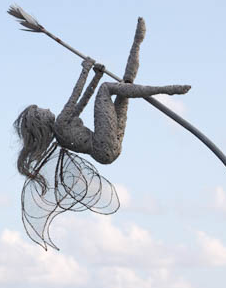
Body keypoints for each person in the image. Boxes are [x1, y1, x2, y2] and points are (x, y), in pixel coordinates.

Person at [13, 17, 191, 250]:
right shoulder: (61, 124)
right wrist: (86, 70)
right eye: (42, 111)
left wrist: (96, 75)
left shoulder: (64, 126)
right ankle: (165, 89)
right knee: (110, 88)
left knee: (125, 86)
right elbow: (76, 95)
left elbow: (85, 100)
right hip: (103, 145)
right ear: (41, 121)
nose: (47, 109)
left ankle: (137, 42)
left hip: (108, 150)